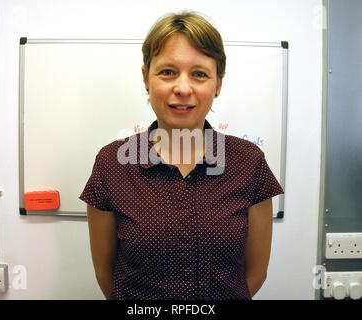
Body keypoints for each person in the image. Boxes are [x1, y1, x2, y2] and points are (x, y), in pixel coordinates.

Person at [80, 11, 283, 300]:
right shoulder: (112, 163)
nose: (183, 88)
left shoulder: (248, 162)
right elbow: (106, 275)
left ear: (218, 85)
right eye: (168, 72)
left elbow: (255, 273)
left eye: (199, 74)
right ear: (146, 78)